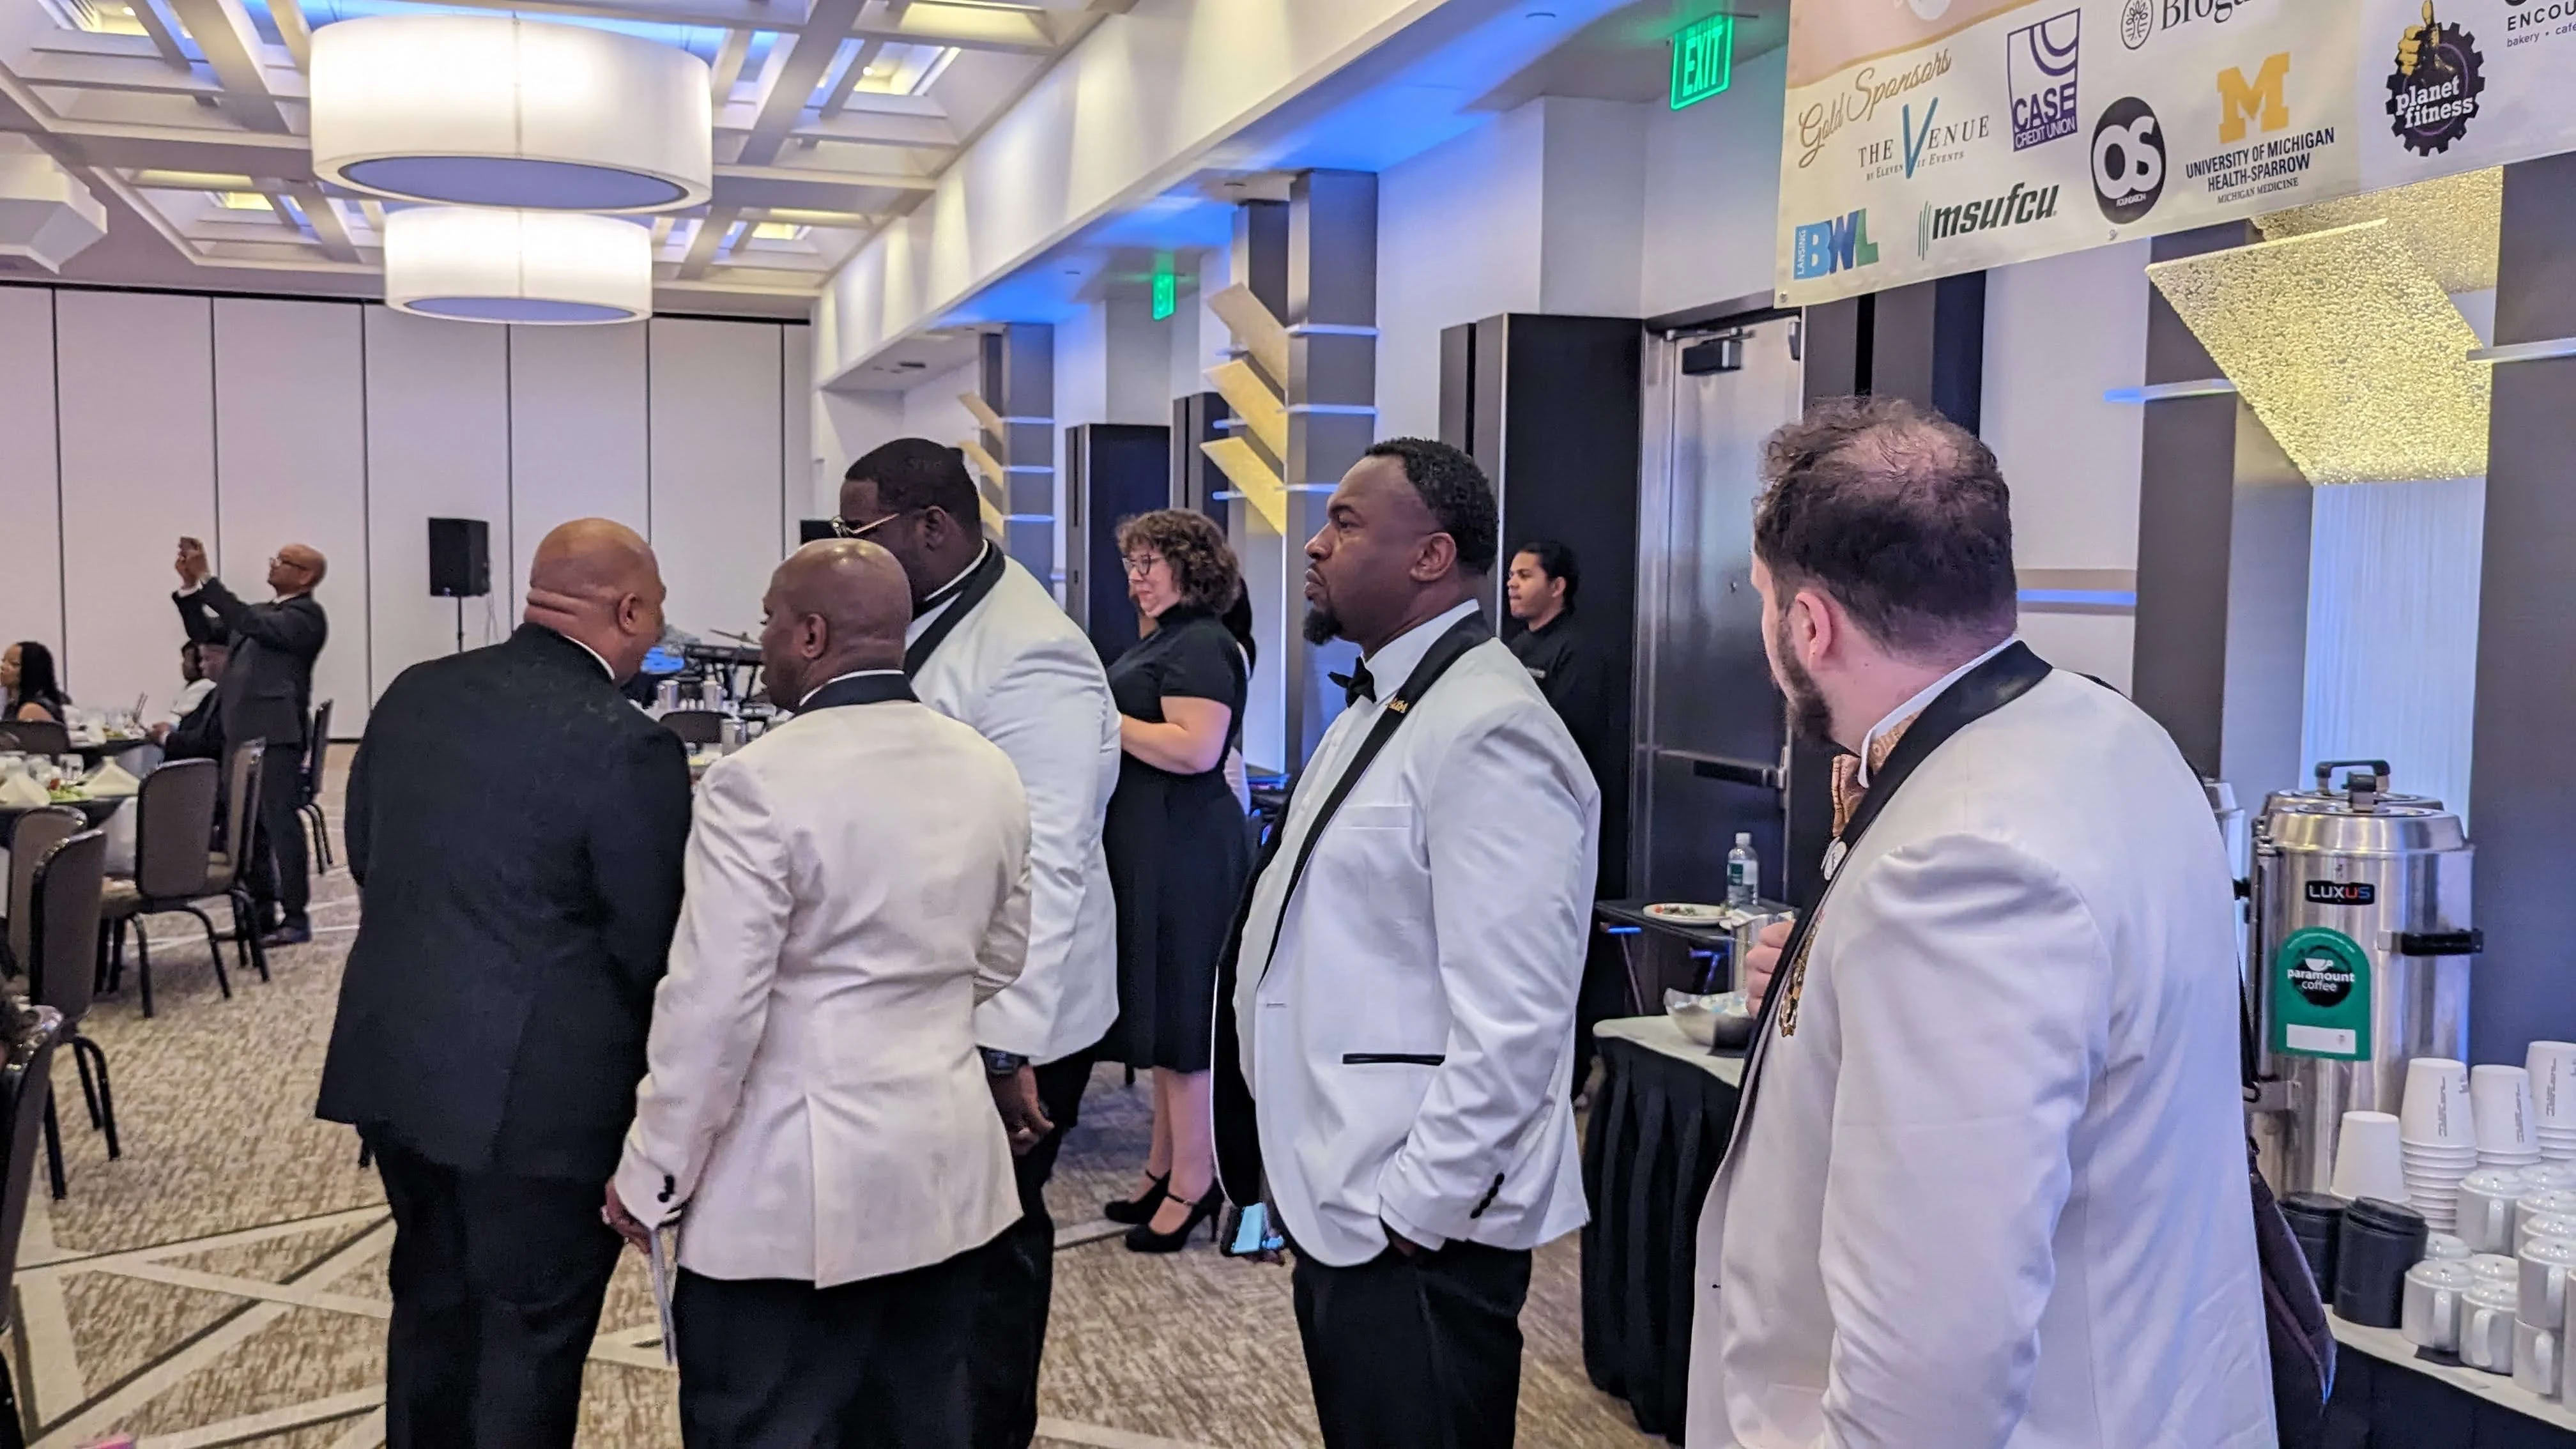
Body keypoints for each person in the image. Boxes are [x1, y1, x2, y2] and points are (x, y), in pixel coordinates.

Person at [1686, 397, 2271, 1448]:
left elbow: (1930, 1369)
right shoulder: (2117, 736)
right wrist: (1827, 990)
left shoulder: (1958, 869)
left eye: (1764, 602)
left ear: (1809, 625)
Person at [606, 539, 1032, 1449]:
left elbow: (713, 1010)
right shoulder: (987, 766)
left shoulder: (757, 781)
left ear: (810, 635)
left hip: (790, 1193)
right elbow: (1002, 957)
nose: (760, 638)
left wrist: (652, 1174)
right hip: (951, 1171)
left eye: (768, 619)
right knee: (921, 1425)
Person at [1218, 438, 1596, 1448]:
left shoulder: (1489, 726)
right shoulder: (1389, 701)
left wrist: (1417, 1207)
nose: (1314, 545)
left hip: (1413, 1222)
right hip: (1347, 1188)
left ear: (1432, 557)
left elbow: (1518, 1014)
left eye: (1345, 524)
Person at [316, 519, 692, 1449]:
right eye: (656, 614)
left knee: (431, 1302)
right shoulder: (630, 744)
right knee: (529, 1338)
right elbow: (652, 946)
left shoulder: (416, 691)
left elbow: (365, 855)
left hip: (397, 1066)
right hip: (542, 1110)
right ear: (630, 610)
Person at [834, 438, 1119, 1449]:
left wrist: (1007, 1048)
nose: (846, 550)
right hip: (928, 1001)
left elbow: (1053, 860)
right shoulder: (924, 616)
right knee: (924, 1251)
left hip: (1010, 1019)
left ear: (932, 527)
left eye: (859, 531)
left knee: (987, 1255)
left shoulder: (1032, 652)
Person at [1098, 509, 1253, 1255]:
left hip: (1188, 850)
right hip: (1157, 845)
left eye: (1148, 564)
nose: (1136, 579)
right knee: (1162, 1016)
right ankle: (1162, 1166)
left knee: (1187, 1019)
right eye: (1131, 565)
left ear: (1190, 568)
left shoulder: (1203, 644)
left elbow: (1196, 749)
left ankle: (1196, 1179)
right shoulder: (1166, 640)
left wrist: (1101, 719)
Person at [1503, 540, 1623, 1100]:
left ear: (1558, 586)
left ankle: (1572, 1077)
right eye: (1511, 574)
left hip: (1561, 827)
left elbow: (1563, 740)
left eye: (1526, 575)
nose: (1513, 584)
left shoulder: (1578, 651)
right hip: (1514, 827)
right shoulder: (1512, 648)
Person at [173, 538, 327, 946]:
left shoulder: (306, 617)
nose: (273, 564)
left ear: (306, 576)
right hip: (238, 732)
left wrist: (208, 579)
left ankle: (296, 917)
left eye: (283, 561)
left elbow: (247, 620)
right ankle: (258, 914)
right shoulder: (263, 612)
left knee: (279, 825)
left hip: (276, 735)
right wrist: (190, 588)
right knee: (245, 828)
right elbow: (206, 632)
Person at [159, 638, 229, 763]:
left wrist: (165, 737)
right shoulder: (215, 693)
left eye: (207, 659)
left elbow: (206, 742)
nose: (201, 665)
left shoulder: (213, 690)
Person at [150, 640, 220, 746]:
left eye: (187, 660)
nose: (183, 665)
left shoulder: (206, 686)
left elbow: (196, 735)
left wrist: (165, 735)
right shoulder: (201, 688)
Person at [1, 641, 68, 724]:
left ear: (32, 671)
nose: (3, 667)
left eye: (14, 664)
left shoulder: (31, 710)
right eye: (4, 661)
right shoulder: (11, 706)